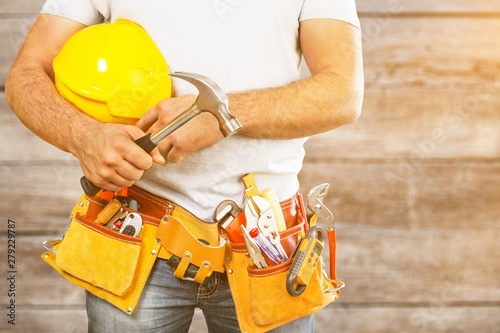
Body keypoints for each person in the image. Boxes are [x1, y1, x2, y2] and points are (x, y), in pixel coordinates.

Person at [6, 1, 364, 332]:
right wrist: (83, 137)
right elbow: (26, 72)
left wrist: (224, 114)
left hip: (265, 249)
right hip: (136, 234)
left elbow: (343, 92)